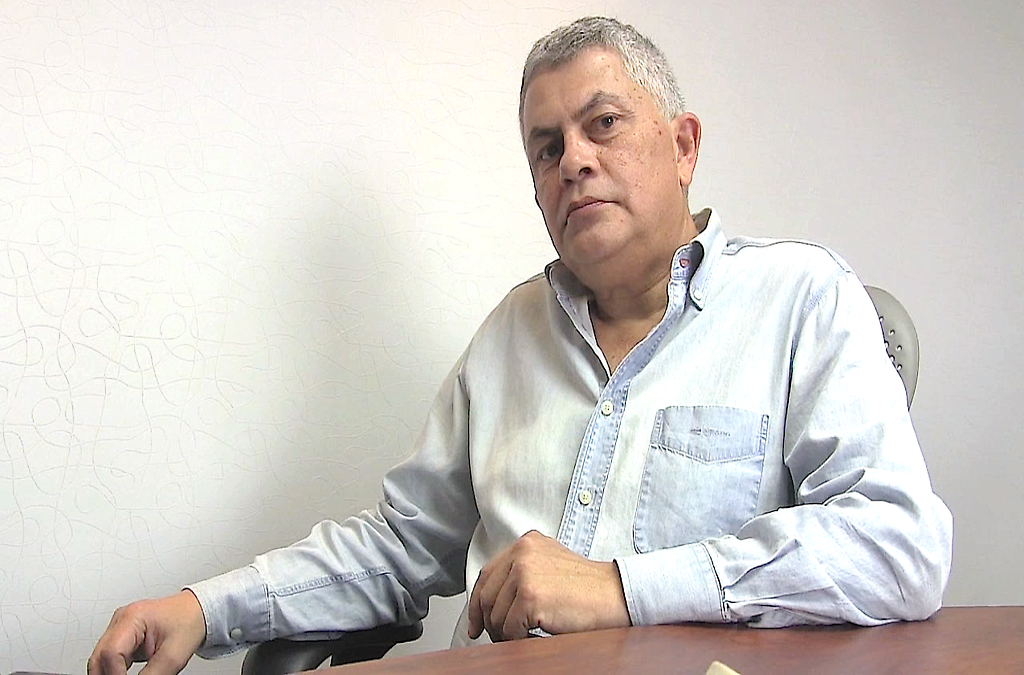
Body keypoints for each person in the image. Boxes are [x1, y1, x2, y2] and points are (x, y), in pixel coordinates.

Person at [89, 16, 953, 675]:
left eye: (602, 123)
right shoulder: (507, 335)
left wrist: (619, 588)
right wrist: (206, 607)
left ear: (683, 146)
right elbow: (400, 546)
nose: (572, 160)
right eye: (547, 148)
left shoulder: (803, 298)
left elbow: (898, 548)